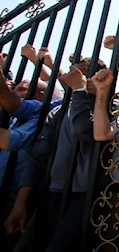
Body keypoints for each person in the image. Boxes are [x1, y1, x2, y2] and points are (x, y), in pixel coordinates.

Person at [4, 57, 107, 252]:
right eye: (75, 75)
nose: (76, 79)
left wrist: (80, 91)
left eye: (83, 74)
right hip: (52, 192)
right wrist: (21, 202)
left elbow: (83, 131)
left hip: (85, 195)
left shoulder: (107, 107)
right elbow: (38, 159)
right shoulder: (58, 112)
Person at [0, 70, 47, 251]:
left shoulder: (39, 109)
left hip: (12, 195)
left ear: (39, 95)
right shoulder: (10, 119)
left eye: (21, 90)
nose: (15, 92)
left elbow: (11, 141)